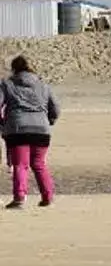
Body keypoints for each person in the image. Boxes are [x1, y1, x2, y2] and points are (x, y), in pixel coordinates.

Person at [2, 55, 58, 208]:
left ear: (14, 69)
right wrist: (49, 121)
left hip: (17, 129)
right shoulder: (43, 85)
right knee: (39, 164)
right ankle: (48, 196)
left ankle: (19, 197)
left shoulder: (7, 84)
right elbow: (55, 109)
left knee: (20, 164)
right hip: (41, 130)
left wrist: (3, 124)